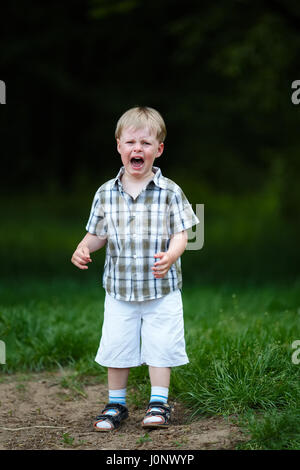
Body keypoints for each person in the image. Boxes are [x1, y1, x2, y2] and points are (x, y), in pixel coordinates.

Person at [71, 106, 199, 431]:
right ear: (118, 146)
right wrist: (84, 247)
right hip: (119, 290)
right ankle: (116, 404)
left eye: (145, 143)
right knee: (117, 345)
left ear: (159, 149)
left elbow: (182, 234)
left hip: (161, 289)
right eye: (130, 142)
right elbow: (98, 234)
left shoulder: (170, 192)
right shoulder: (105, 193)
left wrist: (171, 254)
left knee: (161, 344)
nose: (137, 149)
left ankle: (159, 402)